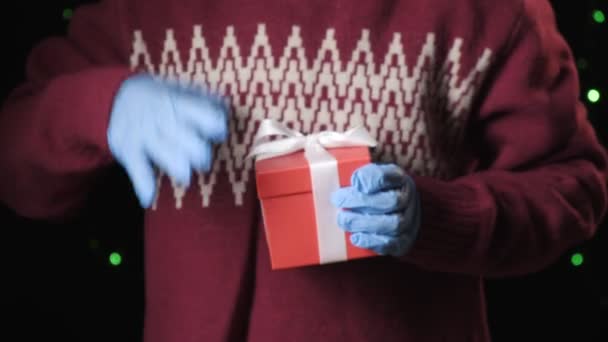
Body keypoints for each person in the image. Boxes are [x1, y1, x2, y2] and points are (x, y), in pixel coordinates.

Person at [1, 0, 606, 341]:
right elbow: (17, 168)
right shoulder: (141, 11)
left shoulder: (492, 13)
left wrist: (437, 217)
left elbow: (572, 185)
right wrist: (100, 108)